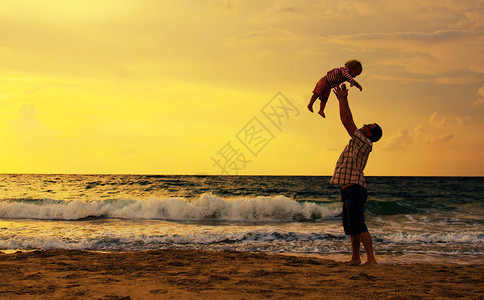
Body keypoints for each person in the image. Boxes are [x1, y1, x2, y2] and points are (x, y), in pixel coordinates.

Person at [329, 84, 382, 266]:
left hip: (355, 189)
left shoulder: (364, 142)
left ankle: (371, 259)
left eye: (368, 125)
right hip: (348, 189)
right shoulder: (359, 140)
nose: (364, 125)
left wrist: (343, 99)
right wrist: (343, 99)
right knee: (351, 228)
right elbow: (348, 120)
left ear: (370, 133)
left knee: (359, 225)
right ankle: (355, 258)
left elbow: (346, 120)